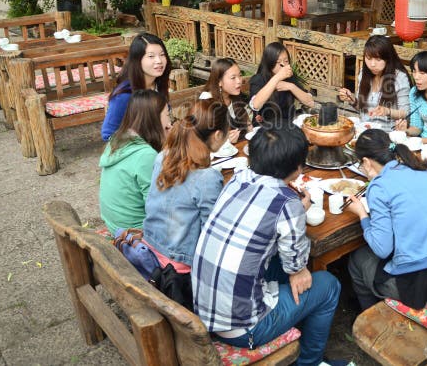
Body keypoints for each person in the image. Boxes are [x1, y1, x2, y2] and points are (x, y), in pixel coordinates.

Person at [191, 125, 342, 366]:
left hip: (205, 312)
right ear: (297, 168)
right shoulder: (287, 203)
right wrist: (297, 211)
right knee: (328, 285)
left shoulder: (236, 180)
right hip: (245, 329)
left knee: (279, 267)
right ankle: (310, 362)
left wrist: (294, 209)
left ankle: (295, 320)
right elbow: (297, 264)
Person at [344, 129, 427, 310]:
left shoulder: (379, 187)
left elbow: (382, 249)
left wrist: (362, 214)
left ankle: (371, 315)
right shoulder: (424, 172)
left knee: (357, 259)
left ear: (366, 162)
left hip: (420, 286)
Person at [141, 98, 230, 307]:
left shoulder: (163, 155)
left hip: (151, 247)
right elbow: (214, 237)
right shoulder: (207, 177)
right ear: (218, 135)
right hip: (180, 271)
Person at [99, 89, 171, 235]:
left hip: (115, 226)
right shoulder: (146, 155)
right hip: (136, 234)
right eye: (168, 116)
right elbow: (159, 209)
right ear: (154, 119)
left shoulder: (117, 140)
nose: (170, 123)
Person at [101, 33, 170, 141]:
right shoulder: (124, 95)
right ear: (137, 60)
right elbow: (108, 134)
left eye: (162, 55)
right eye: (151, 56)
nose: (159, 61)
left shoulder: (158, 85)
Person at [337, 35, 411, 131]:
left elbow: (406, 113)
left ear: (388, 59)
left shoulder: (399, 78)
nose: (372, 64)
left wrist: (387, 111)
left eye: (378, 59)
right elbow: (363, 109)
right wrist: (351, 99)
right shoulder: (364, 73)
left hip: (387, 133)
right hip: (363, 129)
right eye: (368, 58)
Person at [249, 42, 314, 126]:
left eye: (286, 61)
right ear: (269, 63)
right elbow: (256, 105)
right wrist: (277, 78)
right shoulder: (258, 79)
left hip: (287, 127)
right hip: (265, 130)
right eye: (278, 62)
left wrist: (291, 86)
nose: (283, 65)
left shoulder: (289, 77)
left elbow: (310, 102)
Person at [199, 57, 249, 143]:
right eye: (233, 78)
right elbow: (201, 139)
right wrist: (225, 141)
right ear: (219, 82)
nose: (239, 81)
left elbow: (247, 125)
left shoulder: (235, 96)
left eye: (240, 75)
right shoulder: (207, 100)